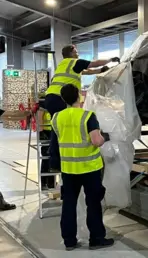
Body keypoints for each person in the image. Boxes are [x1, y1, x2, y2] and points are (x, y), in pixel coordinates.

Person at [52, 84, 114, 251]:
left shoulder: (57, 117)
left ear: (63, 99)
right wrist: (104, 137)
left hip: (69, 169)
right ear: (79, 96)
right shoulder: (88, 116)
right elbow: (96, 141)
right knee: (93, 203)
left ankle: (69, 241)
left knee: (69, 204)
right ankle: (96, 239)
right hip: (89, 167)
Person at [45, 44, 119, 173]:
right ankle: (55, 162)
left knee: (56, 129)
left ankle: (55, 162)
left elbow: (87, 71)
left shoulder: (64, 65)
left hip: (51, 98)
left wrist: (102, 70)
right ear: (71, 53)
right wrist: (110, 60)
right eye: (76, 51)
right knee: (60, 130)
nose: (78, 54)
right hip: (59, 97)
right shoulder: (74, 62)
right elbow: (92, 64)